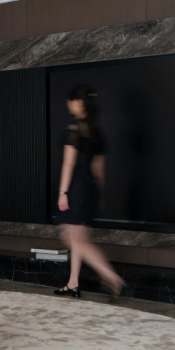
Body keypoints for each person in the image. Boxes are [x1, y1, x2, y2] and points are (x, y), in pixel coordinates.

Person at [53, 84, 124, 298]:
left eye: (71, 100)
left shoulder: (74, 129)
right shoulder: (96, 131)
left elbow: (69, 163)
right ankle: (73, 282)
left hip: (76, 189)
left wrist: (63, 193)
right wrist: (99, 193)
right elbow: (98, 168)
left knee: (71, 237)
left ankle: (110, 276)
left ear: (78, 103)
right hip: (89, 189)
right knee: (77, 237)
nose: (68, 103)